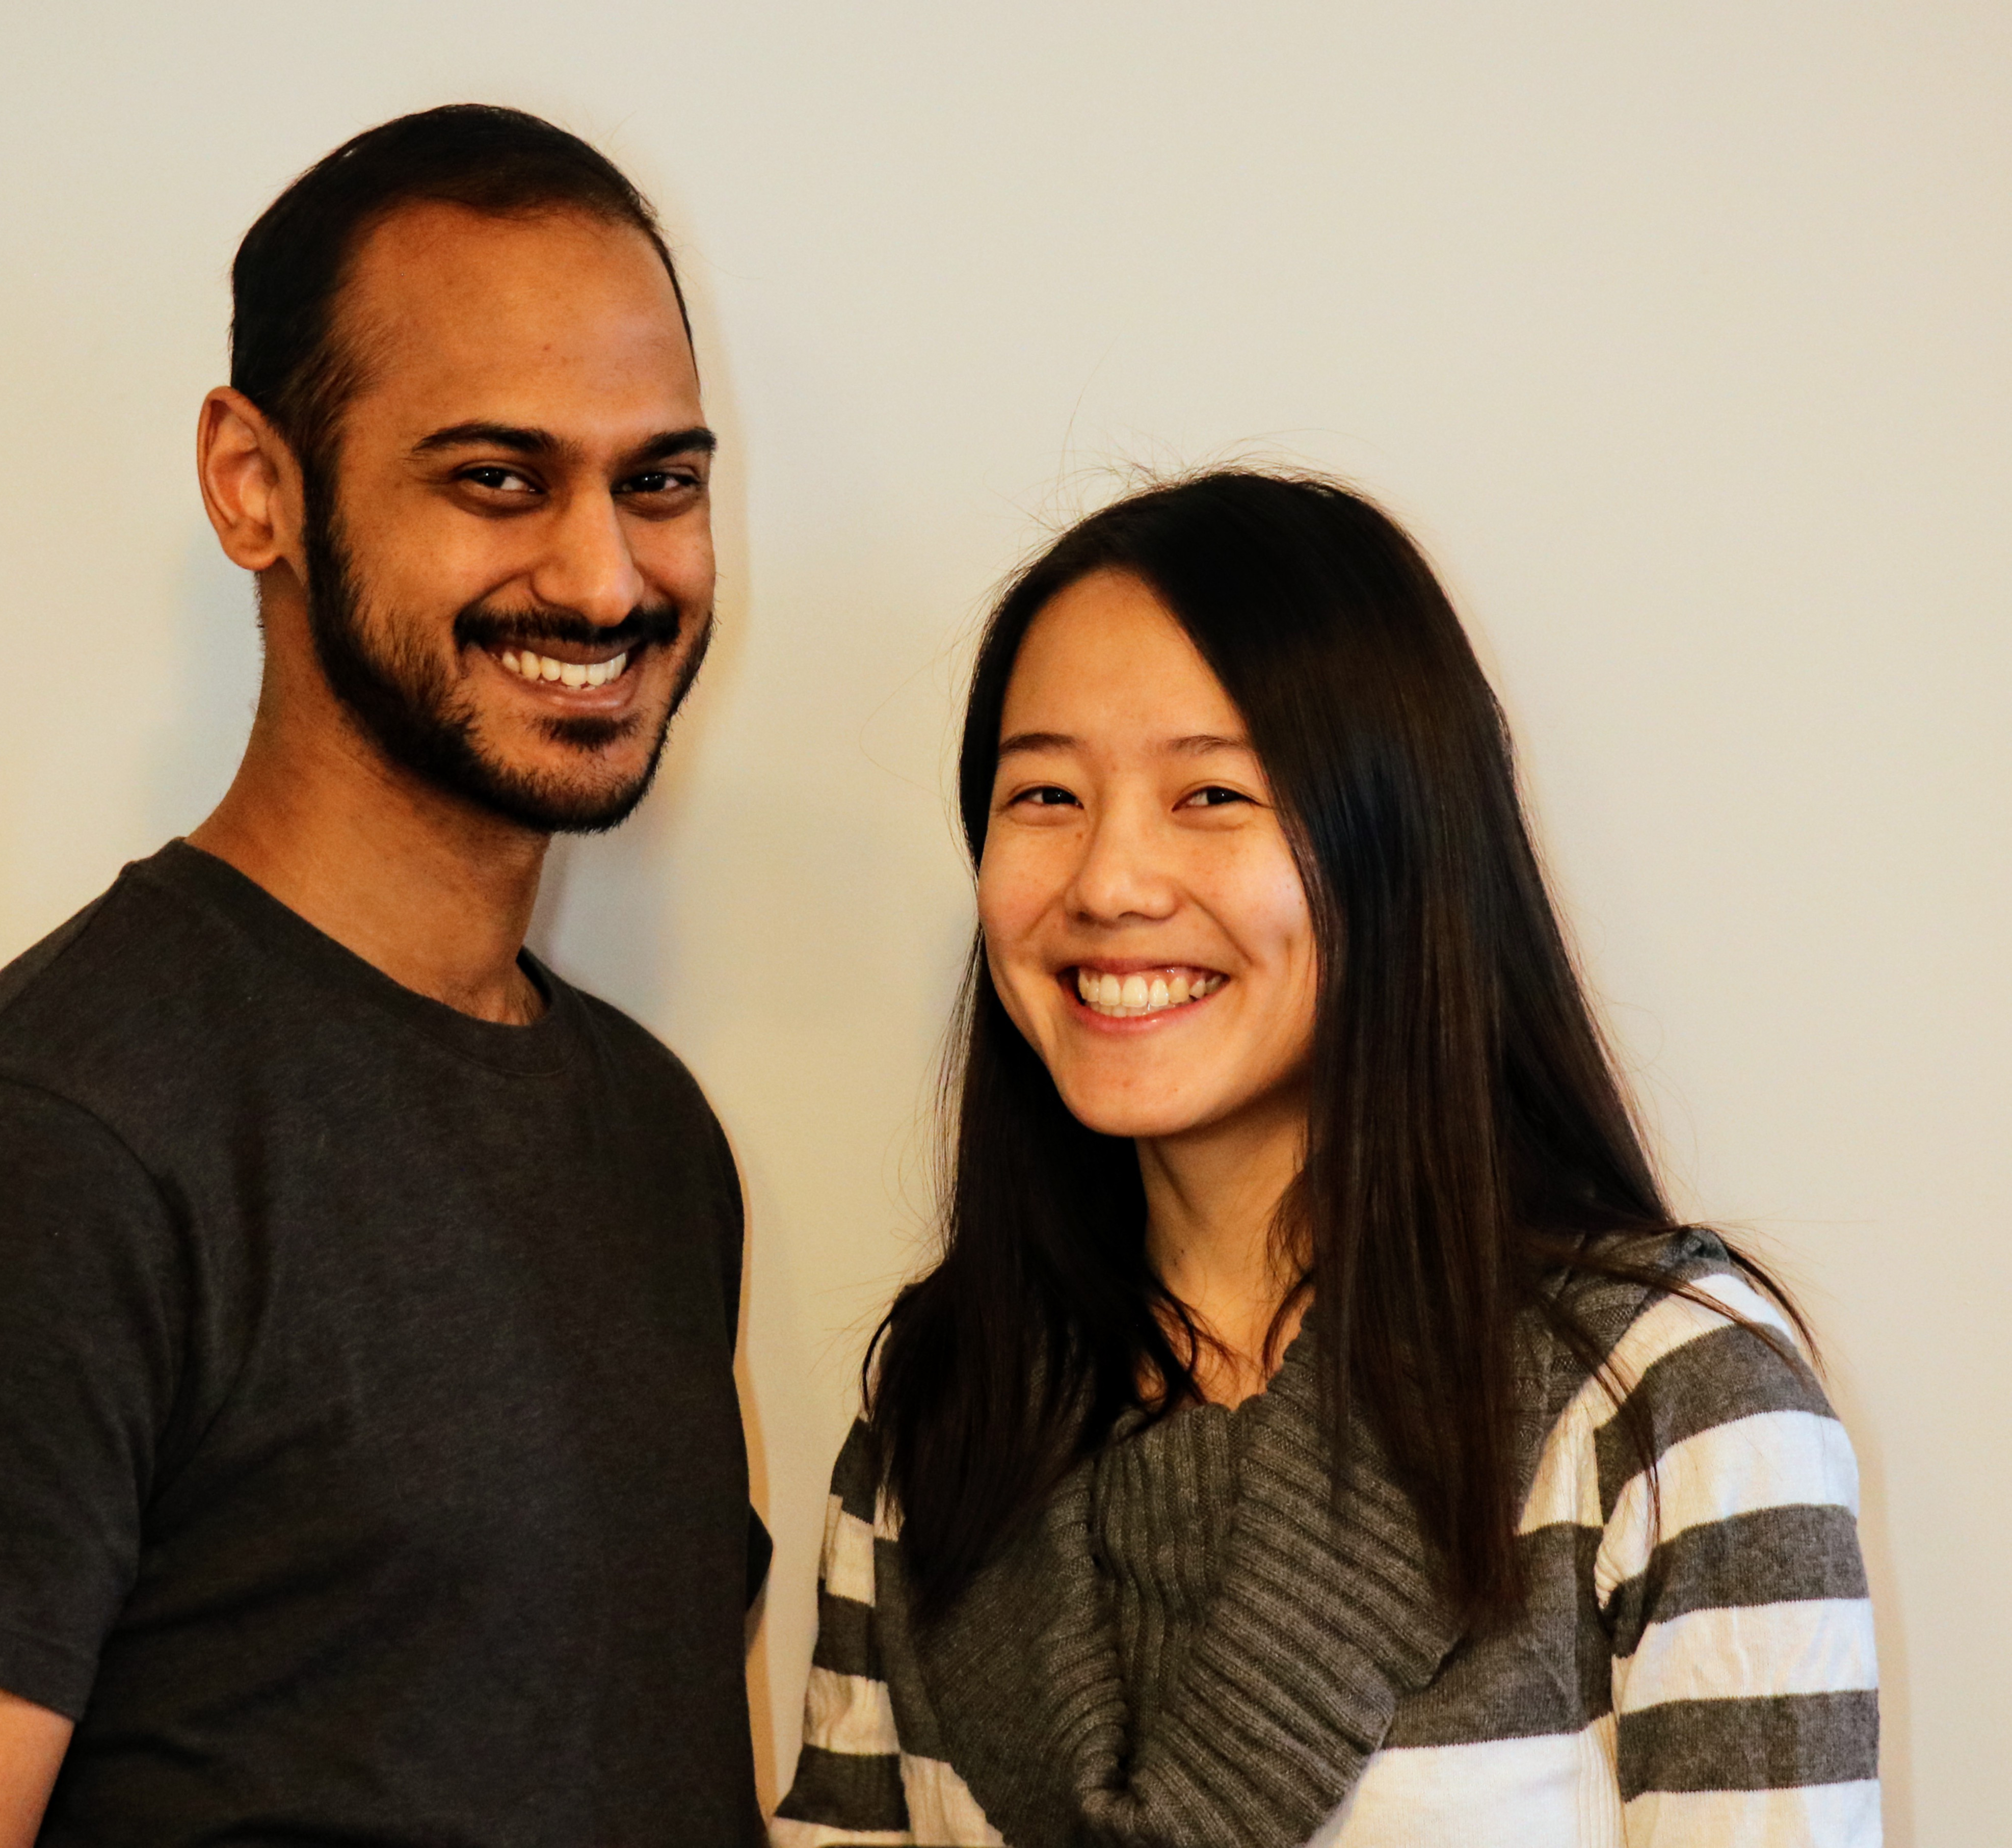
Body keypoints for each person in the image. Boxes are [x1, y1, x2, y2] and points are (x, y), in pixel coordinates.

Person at [0, 104, 769, 1847]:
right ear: (255, 484)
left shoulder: (656, 1137)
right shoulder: (37, 1152)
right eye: (499, 479)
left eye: (657, 480)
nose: (605, 574)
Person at [772, 471, 1878, 1846]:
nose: (1110, 880)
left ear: (1399, 846)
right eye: (1045, 791)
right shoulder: (941, 1411)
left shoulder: (1669, 1401)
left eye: (1213, 792)